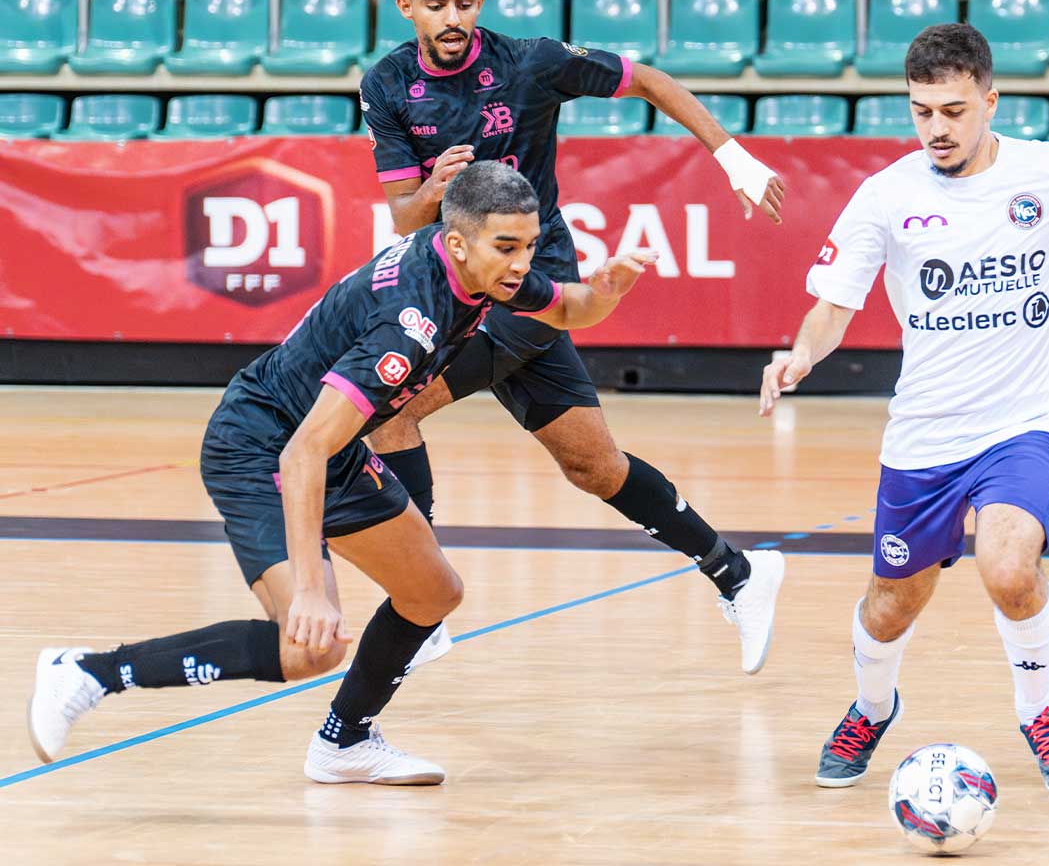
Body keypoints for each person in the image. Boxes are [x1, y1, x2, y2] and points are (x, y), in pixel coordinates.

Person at [28, 162, 660, 783]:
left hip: (333, 447)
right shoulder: (408, 324)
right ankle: (88, 672)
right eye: (509, 247)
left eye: (530, 244)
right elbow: (302, 452)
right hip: (261, 447)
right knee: (310, 646)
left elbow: (570, 309)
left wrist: (607, 291)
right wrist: (308, 588)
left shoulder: (478, 266)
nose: (523, 263)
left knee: (433, 593)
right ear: (460, 241)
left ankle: (345, 742)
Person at [759, 22, 1049, 797]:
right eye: (921, 110)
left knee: (1008, 569)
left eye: (954, 111)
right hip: (926, 432)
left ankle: (1038, 712)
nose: (936, 128)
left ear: (990, 101)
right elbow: (833, 306)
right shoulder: (885, 197)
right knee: (891, 606)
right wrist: (801, 354)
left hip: (1024, 422)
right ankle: (873, 706)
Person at [359, 0, 789, 674]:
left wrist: (730, 153)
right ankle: (737, 572)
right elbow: (404, 215)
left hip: (534, 283)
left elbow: (647, 79)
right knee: (594, 466)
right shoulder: (388, 83)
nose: (453, 16)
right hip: (452, 286)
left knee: (390, 410)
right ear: (408, 8)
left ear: (480, 3)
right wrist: (436, 189)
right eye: (436, 5)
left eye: (465, 2)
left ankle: (421, 600)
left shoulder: (527, 61)